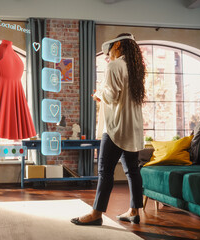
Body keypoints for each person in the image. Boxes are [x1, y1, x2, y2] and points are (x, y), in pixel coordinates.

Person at [71, 33, 146, 226]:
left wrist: (99, 94)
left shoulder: (114, 66)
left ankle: (96, 214)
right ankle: (134, 210)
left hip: (116, 128)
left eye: (110, 50)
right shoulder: (136, 69)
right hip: (134, 127)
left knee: (105, 171)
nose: (108, 55)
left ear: (118, 45)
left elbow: (112, 96)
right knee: (132, 171)